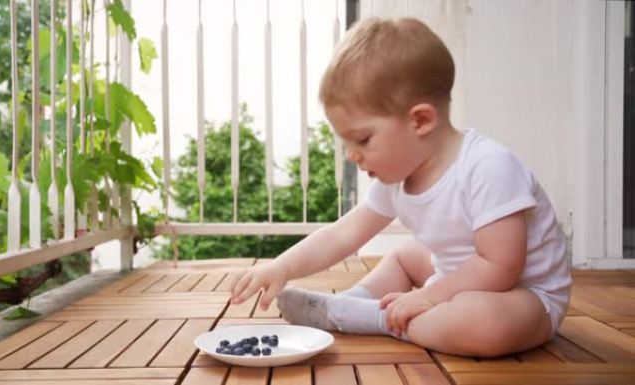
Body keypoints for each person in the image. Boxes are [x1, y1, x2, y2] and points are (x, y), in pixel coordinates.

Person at [229, 17, 571, 357]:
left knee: (481, 322)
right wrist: (282, 267)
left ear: (420, 120)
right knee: (405, 257)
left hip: (526, 296)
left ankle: (368, 318)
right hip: (452, 278)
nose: (351, 156)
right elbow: (342, 235)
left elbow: (500, 267)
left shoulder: (489, 166)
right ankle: (349, 303)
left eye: (362, 139)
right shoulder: (397, 178)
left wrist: (427, 297)